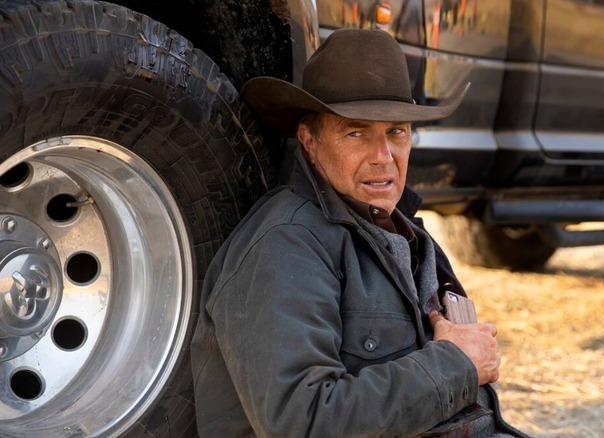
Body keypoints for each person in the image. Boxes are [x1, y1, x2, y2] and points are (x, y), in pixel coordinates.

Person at [190, 28, 531, 438]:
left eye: (396, 132)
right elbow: (304, 423)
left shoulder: (403, 230)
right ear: (309, 141)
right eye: (356, 133)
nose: (382, 157)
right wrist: (454, 364)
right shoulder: (285, 245)